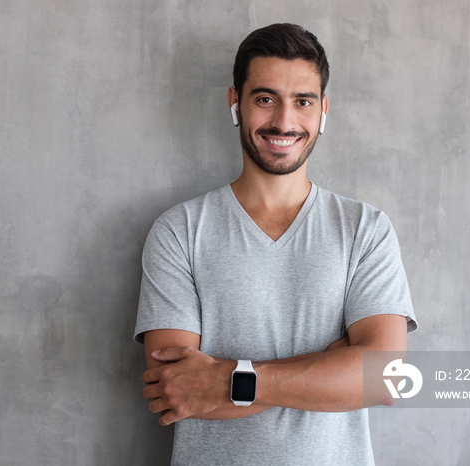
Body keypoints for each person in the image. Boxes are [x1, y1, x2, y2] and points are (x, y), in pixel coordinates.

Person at [134, 23, 417, 465]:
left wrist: (229, 379)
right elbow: (178, 389)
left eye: (302, 102)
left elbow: (384, 377)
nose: (284, 122)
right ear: (236, 104)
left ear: (323, 110)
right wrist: (327, 368)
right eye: (265, 99)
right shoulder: (178, 231)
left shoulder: (366, 229)